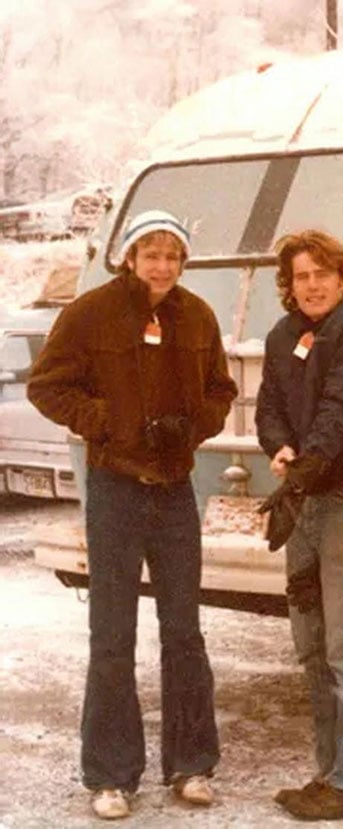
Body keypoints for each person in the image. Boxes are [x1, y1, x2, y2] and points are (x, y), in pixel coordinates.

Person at [27, 209, 237, 820]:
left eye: (173, 255)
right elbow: (47, 385)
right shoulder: (89, 313)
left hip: (173, 490)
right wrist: (107, 423)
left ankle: (192, 765)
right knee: (113, 635)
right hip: (116, 490)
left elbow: (221, 388)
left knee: (184, 632)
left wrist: (193, 428)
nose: (162, 265)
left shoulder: (196, 314)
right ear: (128, 255)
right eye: (152, 253)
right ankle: (111, 776)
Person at [255, 229, 343, 821]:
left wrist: (305, 466)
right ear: (288, 285)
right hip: (306, 500)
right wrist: (281, 448)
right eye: (300, 276)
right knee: (312, 648)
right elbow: (268, 405)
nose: (311, 284)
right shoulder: (284, 336)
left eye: (322, 273)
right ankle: (330, 773)